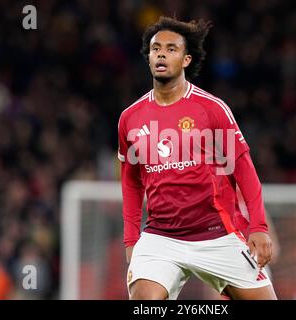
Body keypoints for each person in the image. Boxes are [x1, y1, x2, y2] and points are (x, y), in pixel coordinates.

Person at [118, 16, 277, 300]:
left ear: (186, 59)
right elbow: (131, 183)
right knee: (145, 301)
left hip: (218, 234)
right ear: (149, 58)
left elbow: (244, 170)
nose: (161, 54)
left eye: (171, 48)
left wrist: (259, 226)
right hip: (161, 237)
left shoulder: (212, 109)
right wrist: (131, 239)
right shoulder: (130, 118)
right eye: (156, 49)